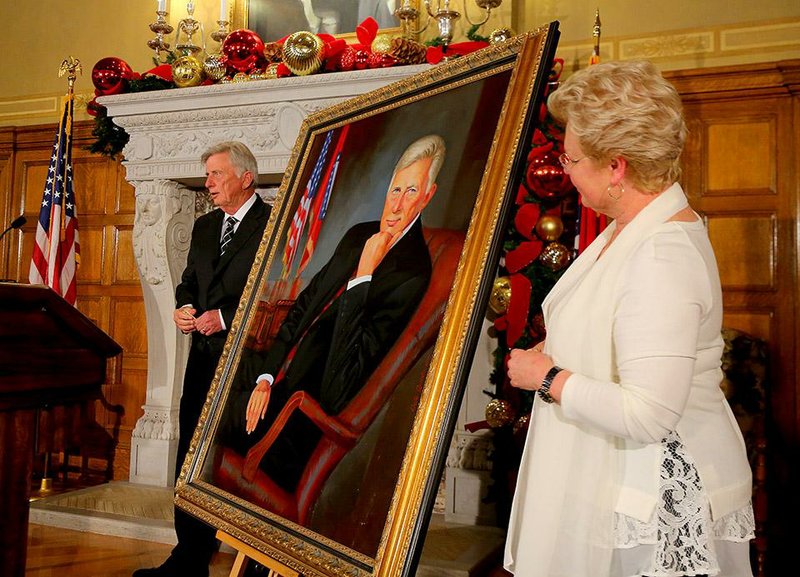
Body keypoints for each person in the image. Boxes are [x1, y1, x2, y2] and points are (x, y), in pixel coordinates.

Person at [503, 61, 755, 577]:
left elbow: (649, 414)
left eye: (572, 159)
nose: (566, 170)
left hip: (654, 495)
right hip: (621, 480)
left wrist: (546, 377)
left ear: (616, 166)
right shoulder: (635, 227)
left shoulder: (661, 254)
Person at [223, 134, 445, 493]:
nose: (397, 205)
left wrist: (363, 277)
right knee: (216, 373)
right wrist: (264, 378)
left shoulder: (413, 273)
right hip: (275, 381)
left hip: (300, 417)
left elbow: (342, 384)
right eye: (395, 190)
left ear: (428, 196)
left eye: (411, 192)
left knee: (214, 423)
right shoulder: (360, 234)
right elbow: (302, 309)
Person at [134, 142, 271, 577]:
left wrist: (226, 318)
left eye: (216, 174)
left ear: (245, 178)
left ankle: (255, 560)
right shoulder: (206, 225)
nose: (208, 183)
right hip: (203, 361)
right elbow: (190, 279)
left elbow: (279, 292)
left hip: (249, 363)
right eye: (207, 174)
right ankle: (190, 557)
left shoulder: (275, 224)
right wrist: (185, 305)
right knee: (192, 456)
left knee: (240, 459)